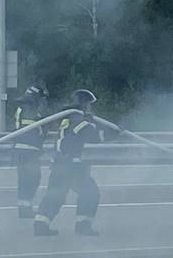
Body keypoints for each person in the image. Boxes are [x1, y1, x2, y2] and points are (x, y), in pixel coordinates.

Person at [34, 89, 107, 237]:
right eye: (89, 105)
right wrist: (114, 132)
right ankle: (83, 225)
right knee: (91, 193)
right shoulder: (77, 119)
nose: (91, 108)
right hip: (71, 167)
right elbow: (92, 136)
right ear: (84, 104)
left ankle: (40, 225)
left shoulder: (67, 118)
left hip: (60, 164)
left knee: (55, 195)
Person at [12, 85, 50, 219]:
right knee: (32, 179)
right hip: (27, 150)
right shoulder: (29, 110)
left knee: (26, 180)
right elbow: (34, 131)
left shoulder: (23, 108)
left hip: (24, 150)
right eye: (41, 99)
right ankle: (25, 209)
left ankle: (24, 208)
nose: (42, 102)